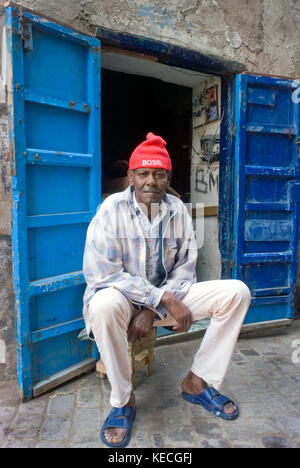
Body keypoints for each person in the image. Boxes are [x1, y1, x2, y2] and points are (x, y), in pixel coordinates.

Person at [82, 132, 251, 448]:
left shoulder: (179, 212)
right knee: (103, 304)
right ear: (131, 176)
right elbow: (102, 273)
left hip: (161, 304)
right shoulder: (110, 211)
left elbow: (184, 271)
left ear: (168, 177)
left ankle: (197, 382)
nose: (150, 182)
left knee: (237, 292)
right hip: (122, 301)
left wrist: (153, 308)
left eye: (158, 174)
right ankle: (123, 400)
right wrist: (160, 298)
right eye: (143, 174)